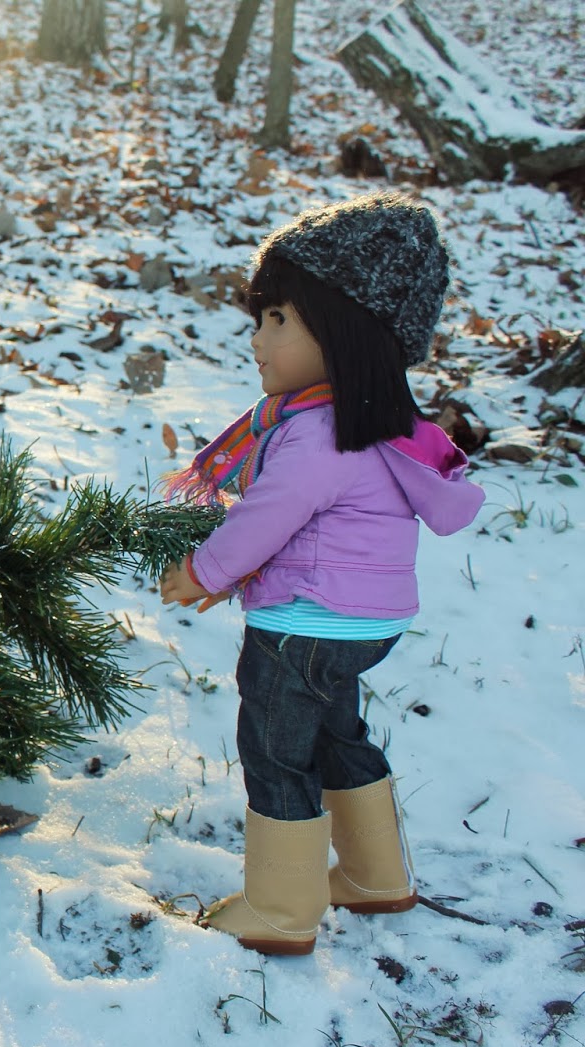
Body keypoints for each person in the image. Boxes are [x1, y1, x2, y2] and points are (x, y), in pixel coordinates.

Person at [157, 192, 484, 955]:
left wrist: (205, 571)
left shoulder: (316, 435)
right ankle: (375, 876)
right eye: (260, 318)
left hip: (304, 620)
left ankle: (282, 907)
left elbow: (268, 516)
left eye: (280, 320)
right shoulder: (378, 429)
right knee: (339, 732)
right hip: (365, 622)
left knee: (277, 750)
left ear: (344, 334)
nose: (258, 340)